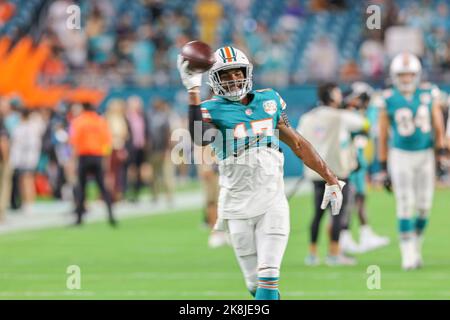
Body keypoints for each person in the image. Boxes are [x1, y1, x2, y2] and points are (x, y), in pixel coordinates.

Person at [177, 46, 345, 300]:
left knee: (268, 278)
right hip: (236, 204)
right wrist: (192, 91)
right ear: (215, 80)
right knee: (255, 284)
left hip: (272, 200)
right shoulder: (211, 108)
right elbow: (201, 138)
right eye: (226, 75)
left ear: (247, 72)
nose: (234, 79)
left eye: (237, 72)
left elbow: (298, 143)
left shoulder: (269, 101)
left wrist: (331, 178)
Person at [378, 52, 446, 270]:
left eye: (410, 74)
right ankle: (407, 254)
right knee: (405, 203)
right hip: (400, 155)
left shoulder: (429, 93)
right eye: (402, 75)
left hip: (425, 154)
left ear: (417, 75)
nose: (406, 79)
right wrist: (382, 165)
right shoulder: (387, 97)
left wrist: (441, 151)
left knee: (425, 205)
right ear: (395, 76)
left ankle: (416, 245)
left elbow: (437, 124)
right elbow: (382, 133)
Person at [297, 83, 368, 266]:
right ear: (331, 95)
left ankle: (312, 254)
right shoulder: (341, 116)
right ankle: (334, 254)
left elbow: (298, 139)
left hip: (315, 173)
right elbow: (364, 124)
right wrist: (353, 109)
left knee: (317, 214)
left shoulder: (308, 117)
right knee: (337, 214)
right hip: (336, 172)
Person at [342, 82, 390, 254]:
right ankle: (344, 236)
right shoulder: (349, 113)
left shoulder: (356, 113)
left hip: (359, 162)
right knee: (348, 201)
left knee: (360, 198)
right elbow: (367, 126)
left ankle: (362, 234)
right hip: (350, 163)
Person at [69, 102, 116, 227]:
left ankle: (79, 218)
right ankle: (111, 215)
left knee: (81, 187)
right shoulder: (101, 122)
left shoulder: (79, 122)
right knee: (103, 187)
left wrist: (73, 161)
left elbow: (74, 142)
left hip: (84, 157)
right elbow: (107, 142)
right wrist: (105, 160)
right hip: (98, 157)